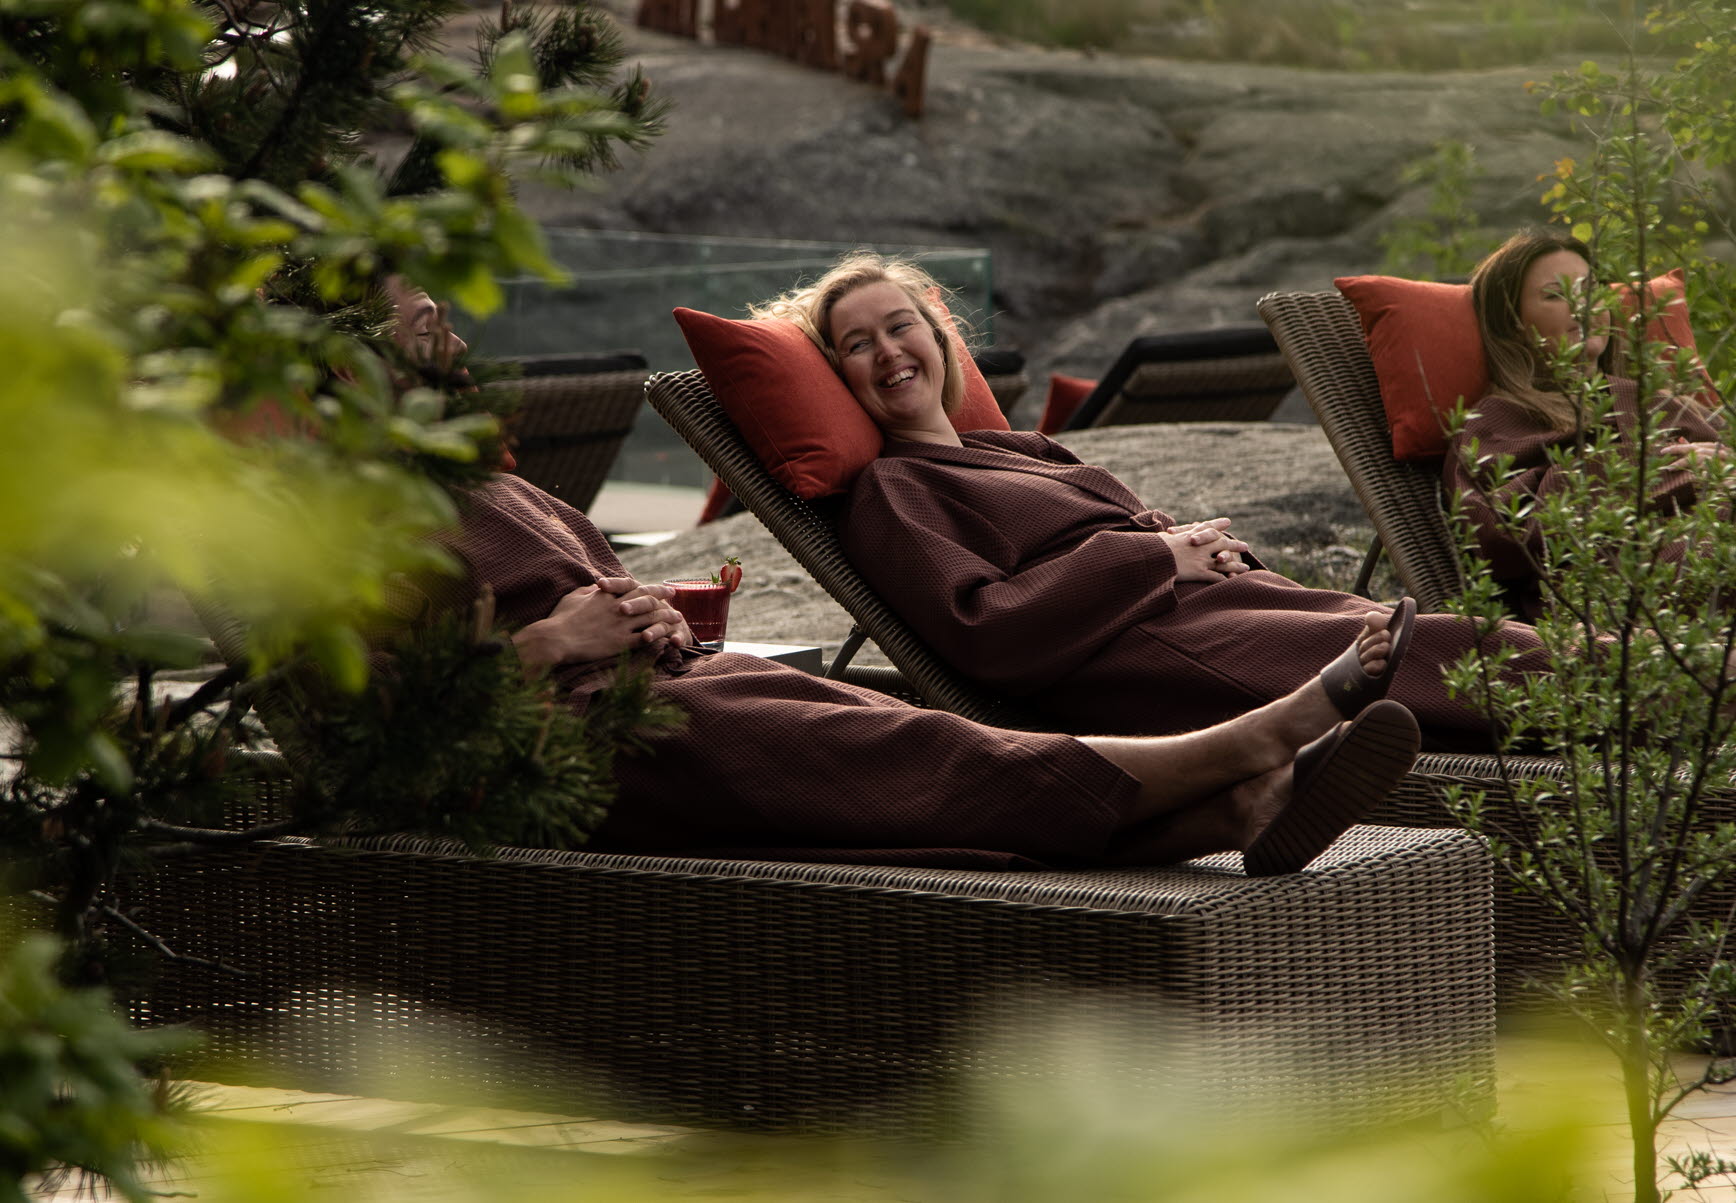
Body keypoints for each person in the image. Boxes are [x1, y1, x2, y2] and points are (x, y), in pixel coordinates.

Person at [384, 277, 1422, 875]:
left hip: (678, 688)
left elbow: (596, 597)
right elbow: (373, 723)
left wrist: (641, 610)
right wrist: (560, 642)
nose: (461, 338)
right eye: (427, 326)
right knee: (916, 750)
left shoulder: (494, 486)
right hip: (581, 743)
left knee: (918, 753)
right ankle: (1242, 744)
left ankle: (1221, 813)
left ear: (941, 339)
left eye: (902, 328)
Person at [752, 252, 1543, 747]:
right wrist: (1158, 554)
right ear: (840, 377)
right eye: (859, 345)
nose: (889, 352)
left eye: (901, 326)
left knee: (1456, 638)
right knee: (1455, 656)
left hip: (1218, 611)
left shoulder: (1013, 449)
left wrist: (1203, 555)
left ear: (938, 336)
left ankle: (1649, 691)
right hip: (1141, 654)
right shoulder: (896, 490)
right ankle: (1649, 695)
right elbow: (983, 631)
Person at [1444, 229, 1725, 620]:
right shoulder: (1494, 422)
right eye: (1555, 295)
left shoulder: (1647, 399)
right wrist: (1663, 474)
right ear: (1511, 322)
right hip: (1619, 597)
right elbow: (1503, 539)